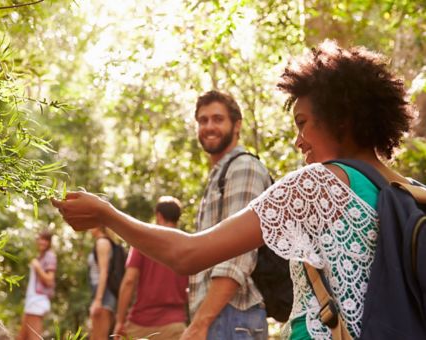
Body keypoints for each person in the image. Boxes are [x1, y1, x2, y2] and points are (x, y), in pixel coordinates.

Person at [52, 40, 415, 340]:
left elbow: (189, 254)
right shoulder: (411, 193)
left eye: (302, 124)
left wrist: (107, 214)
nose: (297, 141)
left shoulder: (318, 183)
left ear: (342, 119)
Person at [188, 90, 272, 339]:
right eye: (203, 120)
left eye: (217, 119)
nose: (209, 126)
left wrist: (200, 322)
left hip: (233, 315)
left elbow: (238, 255)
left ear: (237, 125)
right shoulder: (220, 174)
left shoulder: (244, 167)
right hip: (220, 316)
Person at [114, 196, 188, 340]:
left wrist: (120, 321)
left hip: (141, 326)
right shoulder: (187, 244)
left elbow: (129, 281)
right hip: (175, 326)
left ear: (158, 216)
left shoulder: (143, 241)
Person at [17, 230, 57, 340]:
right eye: (41, 239)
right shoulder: (40, 257)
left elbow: (49, 280)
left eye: (45, 240)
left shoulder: (49, 256)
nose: (42, 242)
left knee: (34, 337)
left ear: (49, 242)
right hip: (32, 299)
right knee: (21, 337)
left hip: (38, 300)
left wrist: (38, 267)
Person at [87, 227, 117, 340]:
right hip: (101, 292)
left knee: (100, 337)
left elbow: (104, 272)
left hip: (104, 293)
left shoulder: (102, 242)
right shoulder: (102, 242)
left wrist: (98, 300)